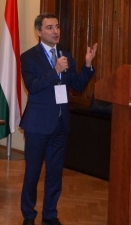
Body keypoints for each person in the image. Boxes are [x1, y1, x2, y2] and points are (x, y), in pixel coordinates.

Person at [19, 13, 98, 225]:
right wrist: (55, 70)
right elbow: (33, 86)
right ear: (38, 31)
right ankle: (29, 216)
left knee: (54, 174)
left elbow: (77, 86)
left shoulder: (65, 55)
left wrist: (87, 65)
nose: (55, 31)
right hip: (37, 125)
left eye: (57, 27)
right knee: (32, 173)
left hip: (60, 126)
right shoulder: (29, 57)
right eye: (50, 27)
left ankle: (50, 215)